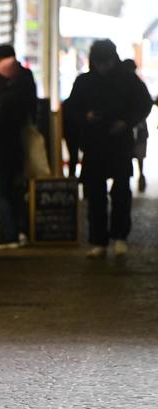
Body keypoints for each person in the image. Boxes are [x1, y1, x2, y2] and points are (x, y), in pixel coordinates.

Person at [64, 40, 152, 258]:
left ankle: (119, 237)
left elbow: (144, 104)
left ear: (114, 60)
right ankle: (100, 241)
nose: (103, 67)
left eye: (107, 63)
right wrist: (86, 117)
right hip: (95, 145)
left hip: (119, 144)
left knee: (121, 192)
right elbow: (71, 109)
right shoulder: (84, 82)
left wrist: (126, 122)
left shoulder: (127, 80)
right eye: (99, 63)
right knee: (95, 195)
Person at [0, 44, 37, 250]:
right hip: (16, 151)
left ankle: (9, 234)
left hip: (0, 152)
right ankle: (17, 231)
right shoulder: (24, 85)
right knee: (14, 192)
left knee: (0, 193)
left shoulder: (6, 97)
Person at [122, 59, 150, 193]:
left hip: (129, 127)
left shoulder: (120, 85)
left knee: (130, 154)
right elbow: (147, 104)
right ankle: (140, 175)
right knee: (139, 154)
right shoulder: (139, 85)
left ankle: (134, 177)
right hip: (139, 125)